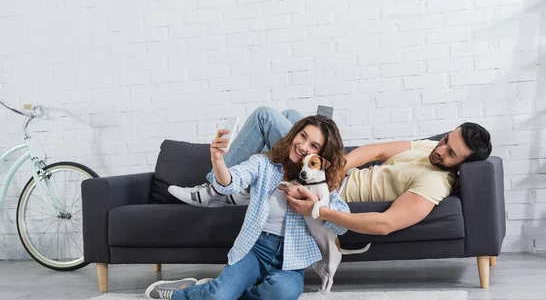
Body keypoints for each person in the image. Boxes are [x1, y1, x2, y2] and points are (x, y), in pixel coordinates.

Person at [169, 106, 492, 236]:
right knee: (294, 116)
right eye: (446, 140)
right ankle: (248, 184)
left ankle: (215, 188)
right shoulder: (428, 148)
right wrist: (338, 166)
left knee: (267, 117)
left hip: (327, 191)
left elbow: (386, 224)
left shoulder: (435, 182)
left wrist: (320, 209)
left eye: (451, 154)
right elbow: (376, 151)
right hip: (333, 174)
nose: (440, 150)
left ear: (463, 164)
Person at [144, 114, 350, 300]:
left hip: (291, 259)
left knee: (280, 296)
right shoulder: (264, 165)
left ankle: (224, 287)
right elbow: (231, 182)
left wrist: (317, 208)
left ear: (320, 156)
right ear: (294, 133)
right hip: (255, 249)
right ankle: (185, 292)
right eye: (303, 136)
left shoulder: (319, 183)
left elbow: (343, 222)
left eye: (314, 146)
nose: (304, 147)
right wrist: (217, 160)